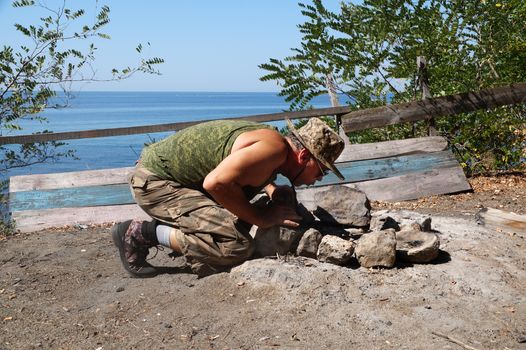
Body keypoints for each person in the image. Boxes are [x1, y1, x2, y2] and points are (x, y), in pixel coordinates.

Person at [112, 117, 345, 277]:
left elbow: (242, 167)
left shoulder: (271, 141)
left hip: (163, 174)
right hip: (156, 184)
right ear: (303, 156)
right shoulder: (273, 150)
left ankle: (186, 228)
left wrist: (271, 189)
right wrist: (262, 220)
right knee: (235, 245)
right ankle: (142, 233)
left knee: (237, 216)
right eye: (321, 170)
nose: (320, 178)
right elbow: (216, 183)